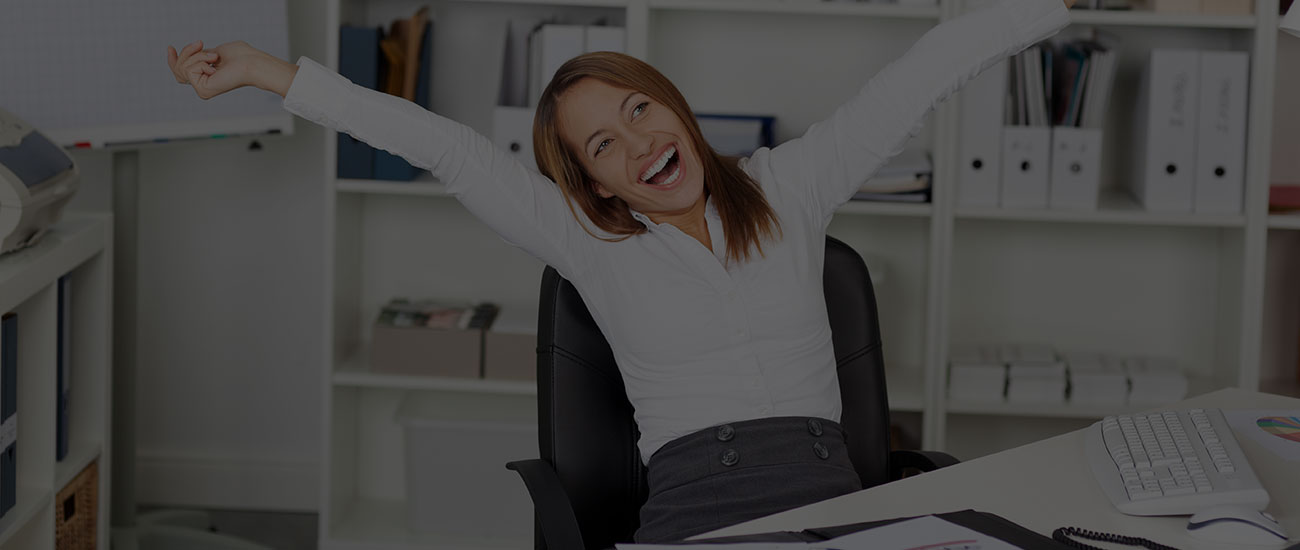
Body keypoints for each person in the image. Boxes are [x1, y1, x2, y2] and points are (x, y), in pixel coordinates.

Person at [167, 0, 1073, 542]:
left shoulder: (791, 186)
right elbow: (444, 148)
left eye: (643, 110)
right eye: (605, 143)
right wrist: (266, 73)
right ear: (588, 179)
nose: (640, 143)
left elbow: (922, 74)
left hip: (830, 509)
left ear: (674, 105)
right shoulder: (587, 242)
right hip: (695, 512)